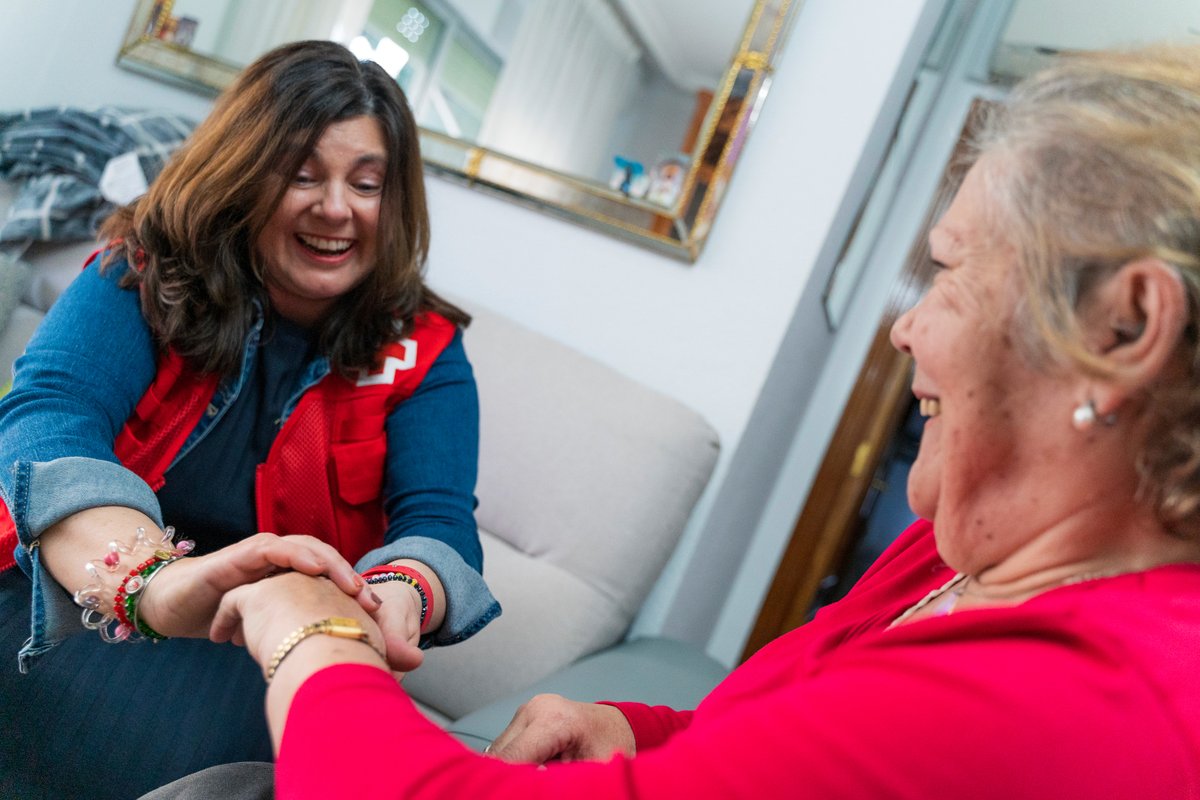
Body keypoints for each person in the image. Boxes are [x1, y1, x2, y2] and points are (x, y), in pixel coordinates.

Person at [150, 44, 1200, 799]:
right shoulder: (957, 550)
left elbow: (436, 526)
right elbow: (799, 736)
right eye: (303, 174)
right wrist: (637, 724)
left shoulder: (1054, 701)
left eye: (952, 273)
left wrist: (315, 623)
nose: (907, 330)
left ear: (1126, 325)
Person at [0, 40, 498, 799]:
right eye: (303, 175)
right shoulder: (146, 268)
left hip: (256, 644)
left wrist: (396, 592)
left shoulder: (426, 352)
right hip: (81, 590)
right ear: (241, 172)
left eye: (367, 184)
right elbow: (49, 418)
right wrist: (151, 582)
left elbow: (439, 526)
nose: (337, 208)